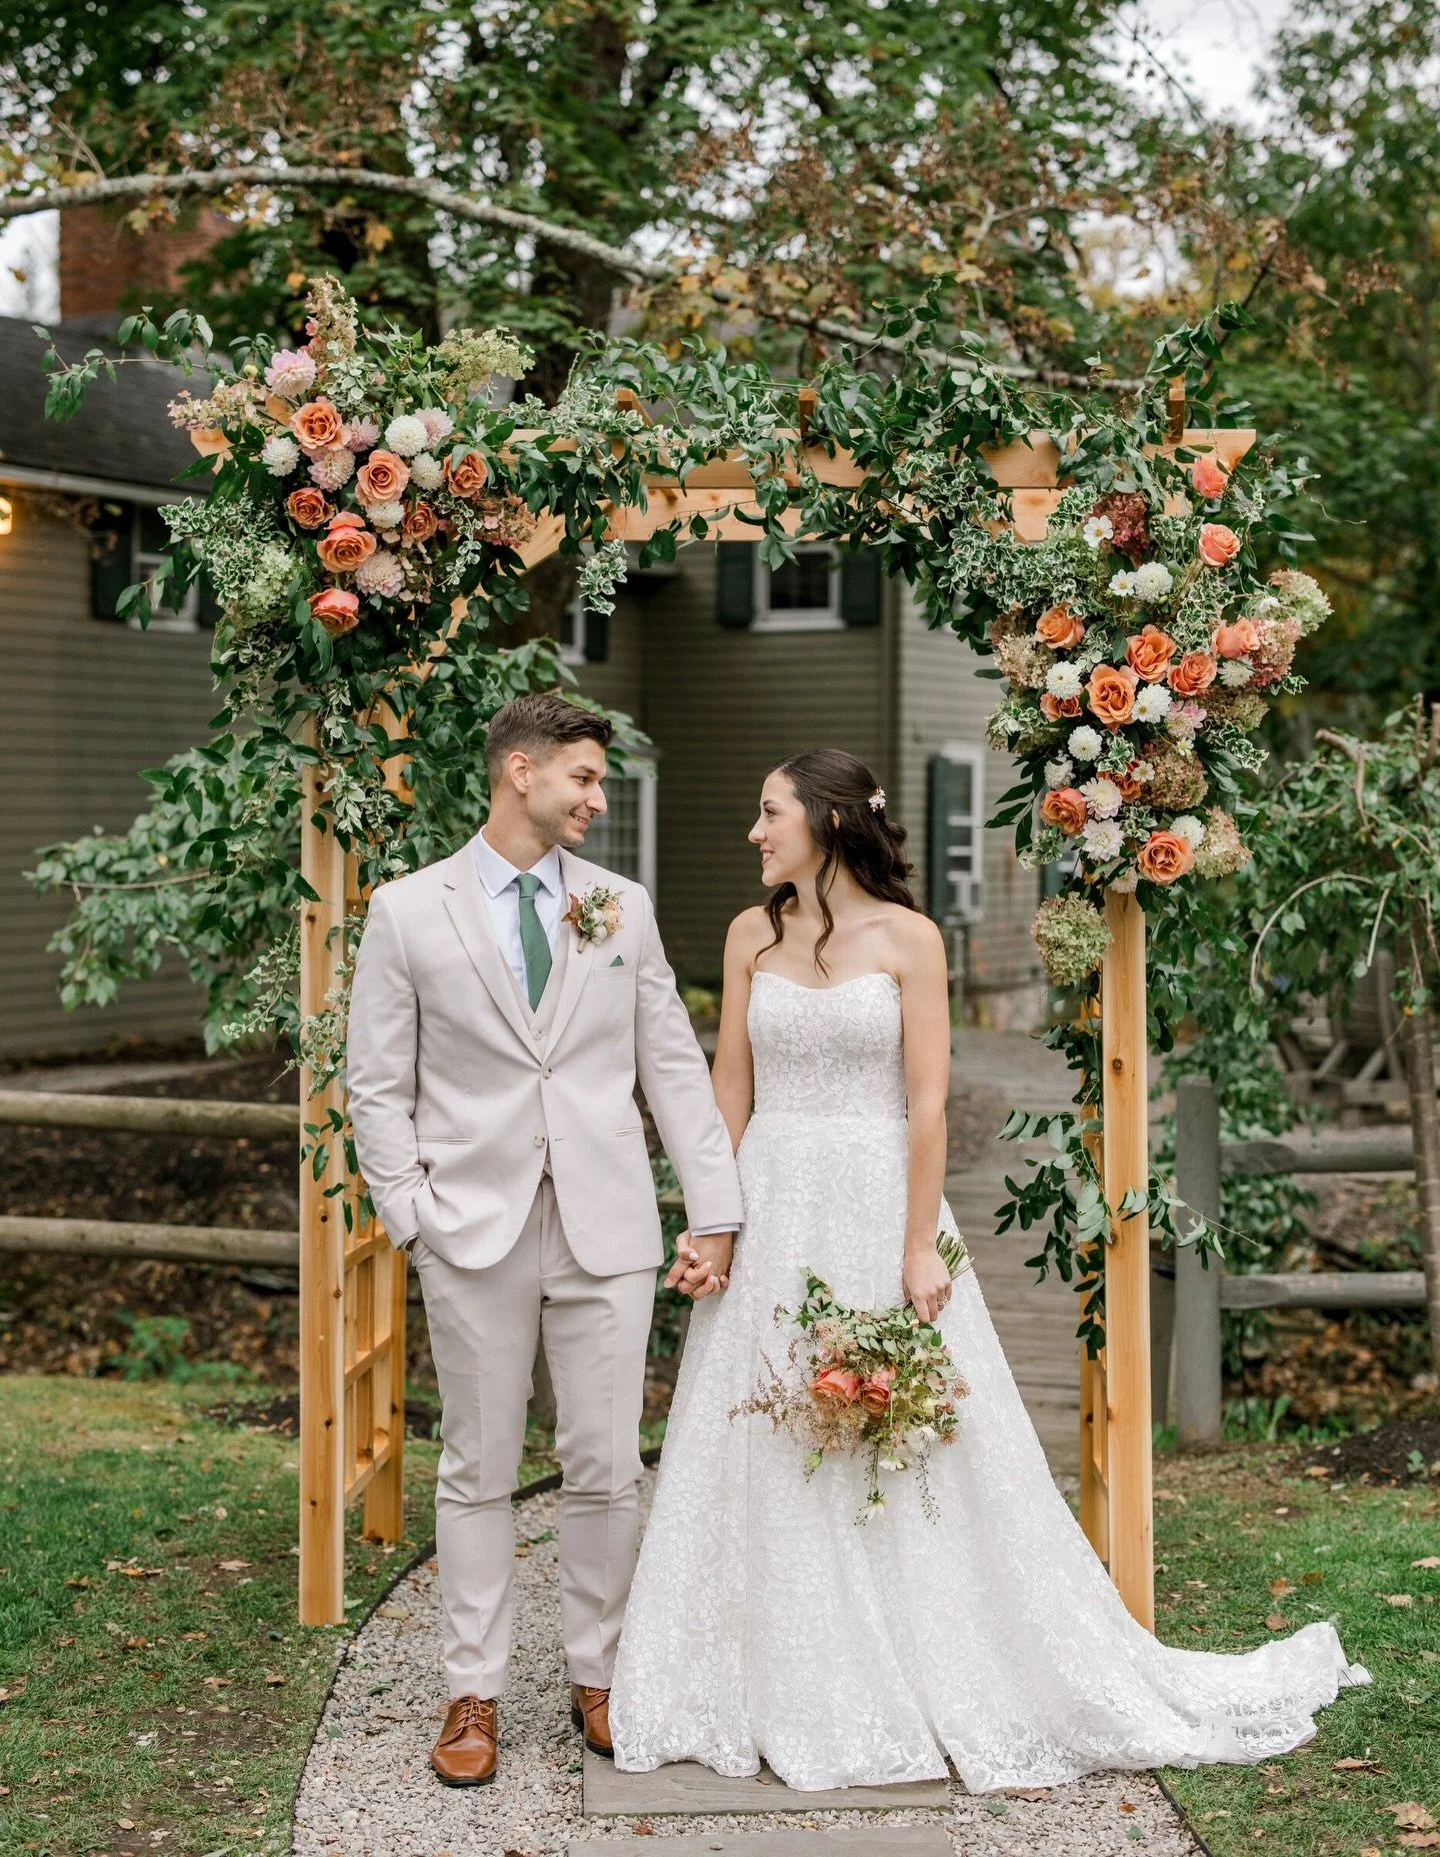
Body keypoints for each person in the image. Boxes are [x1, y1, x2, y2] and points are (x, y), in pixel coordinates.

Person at [609, 747, 1368, 1793]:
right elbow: (726, 1088)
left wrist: (919, 1243)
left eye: (769, 811)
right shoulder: (750, 934)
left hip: (880, 1199)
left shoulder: (914, 940)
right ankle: (765, 1672)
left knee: (897, 1429)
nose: (755, 832)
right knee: (760, 1423)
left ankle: (925, 1655)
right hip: (773, 1197)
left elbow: (926, 1104)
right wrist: (715, 1223)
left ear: (828, 821)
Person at [346, 692, 741, 1788]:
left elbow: (670, 1061)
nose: (595, 798)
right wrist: (410, 1212)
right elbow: (375, 1082)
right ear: (519, 770)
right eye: (582, 776)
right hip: (471, 1226)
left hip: (606, 1225)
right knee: (476, 1467)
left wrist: (714, 1207)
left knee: (607, 1465)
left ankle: (597, 1672)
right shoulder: (407, 910)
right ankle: (470, 1691)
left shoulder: (621, 906)